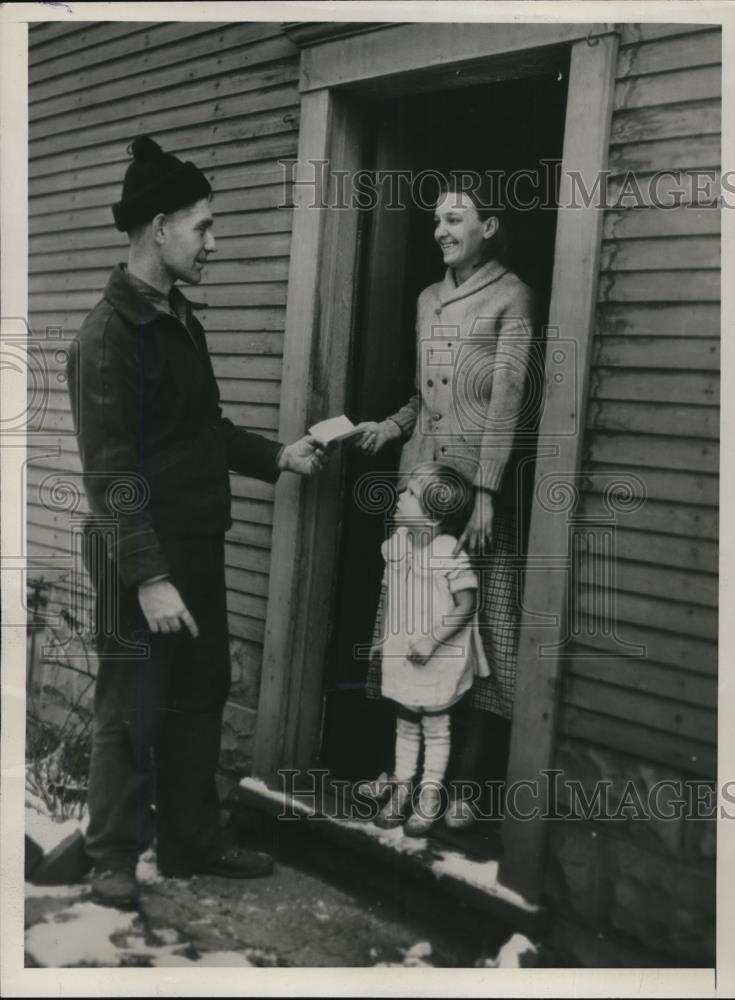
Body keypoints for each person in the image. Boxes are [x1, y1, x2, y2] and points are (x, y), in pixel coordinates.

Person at [67, 136, 328, 909]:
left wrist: (280, 455)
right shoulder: (108, 336)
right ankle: (110, 856)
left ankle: (189, 839)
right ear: (158, 227)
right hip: (137, 553)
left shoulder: (179, 319)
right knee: (133, 702)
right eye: (204, 227)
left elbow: (202, 429)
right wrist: (147, 577)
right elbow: (110, 475)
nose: (214, 242)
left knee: (199, 691)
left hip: (195, 542)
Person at [355, 179, 535, 829]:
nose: (440, 229)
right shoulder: (428, 298)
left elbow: (505, 399)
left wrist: (486, 491)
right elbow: (418, 394)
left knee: (475, 633)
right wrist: (390, 427)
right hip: (418, 487)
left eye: (454, 218)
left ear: (487, 227)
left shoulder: (512, 296)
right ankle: (403, 775)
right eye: (435, 218)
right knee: (407, 627)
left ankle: (460, 786)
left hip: (471, 493)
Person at [362, 462, 489, 836]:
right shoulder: (397, 544)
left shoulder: (449, 552)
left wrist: (433, 639)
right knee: (405, 719)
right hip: (404, 649)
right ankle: (401, 788)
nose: (399, 496)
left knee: (435, 724)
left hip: (438, 652)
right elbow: (390, 595)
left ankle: (430, 793)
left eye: (411, 494)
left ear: (433, 518)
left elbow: (467, 605)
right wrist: (381, 639)